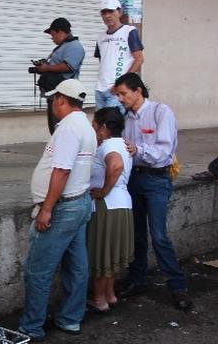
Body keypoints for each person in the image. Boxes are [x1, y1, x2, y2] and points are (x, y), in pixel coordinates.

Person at [18, 79, 97, 341]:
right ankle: (70, 319)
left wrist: (47, 209)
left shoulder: (68, 128)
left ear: (62, 99)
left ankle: (31, 327)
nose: (52, 104)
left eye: (53, 100)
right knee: (76, 266)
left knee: (38, 271)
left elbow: (62, 170)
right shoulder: (85, 124)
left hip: (63, 208)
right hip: (80, 203)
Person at [114, 72, 192, 310]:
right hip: (133, 180)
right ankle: (137, 280)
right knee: (136, 234)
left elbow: (164, 152)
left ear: (138, 91)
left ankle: (177, 286)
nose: (120, 99)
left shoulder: (160, 112)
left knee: (158, 235)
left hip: (157, 180)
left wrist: (138, 149)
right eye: (118, 94)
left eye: (123, 93)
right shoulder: (125, 118)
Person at [86, 107, 134, 313]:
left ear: (104, 127)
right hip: (122, 204)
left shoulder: (107, 146)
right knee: (111, 253)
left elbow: (115, 165)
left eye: (95, 124)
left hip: (107, 206)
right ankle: (110, 295)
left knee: (100, 253)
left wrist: (103, 191)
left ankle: (99, 299)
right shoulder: (123, 144)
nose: (92, 128)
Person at [35, 17, 85, 134]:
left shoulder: (74, 46)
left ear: (61, 32)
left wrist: (47, 68)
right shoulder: (63, 46)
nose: (52, 38)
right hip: (55, 94)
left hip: (65, 97)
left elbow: (69, 66)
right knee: (55, 129)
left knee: (62, 129)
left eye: (53, 35)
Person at [95, 0, 144, 111]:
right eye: (104, 12)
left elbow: (139, 59)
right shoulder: (100, 37)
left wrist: (121, 84)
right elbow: (102, 60)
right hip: (100, 89)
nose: (107, 15)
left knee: (113, 126)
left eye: (111, 11)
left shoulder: (129, 31)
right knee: (100, 125)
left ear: (119, 12)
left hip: (117, 91)